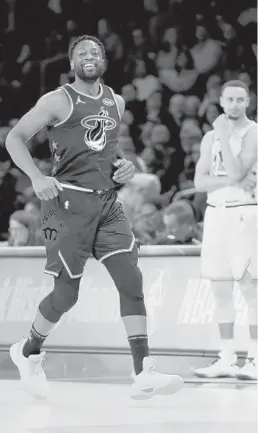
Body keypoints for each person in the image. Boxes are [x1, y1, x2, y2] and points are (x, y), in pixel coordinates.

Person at [5, 35, 183, 400]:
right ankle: (28, 351)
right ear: (72, 65)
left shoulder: (114, 101)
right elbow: (14, 139)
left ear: (104, 60)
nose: (90, 57)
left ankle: (143, 372)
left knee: (131, 281)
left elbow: (108, 153)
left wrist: (124, 167)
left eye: (96, 52)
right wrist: (37, 178)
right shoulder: (57, 100)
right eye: (82, 54)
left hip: (107, 204)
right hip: (63, 203)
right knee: (66, 295)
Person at [193, 80, 257, 380]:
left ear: (248, 102)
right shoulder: (209, 137)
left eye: (239, 100)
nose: (233, 105)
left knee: (250, 289)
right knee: (220, 289)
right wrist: (232, 181)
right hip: (216, 214)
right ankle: (227, 358)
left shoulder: (253, 132)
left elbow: (237, 171)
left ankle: (255, 358)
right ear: (220, 101)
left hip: (244, 214)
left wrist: (226, 134)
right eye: (229, 99)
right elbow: (200, 183)